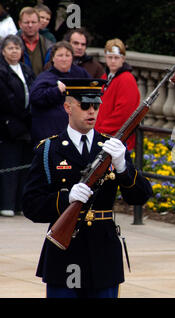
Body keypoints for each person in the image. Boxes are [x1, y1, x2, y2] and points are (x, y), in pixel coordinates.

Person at [22, 78, 153, 298]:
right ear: (67, 107)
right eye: (84, 106)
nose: (91, 111)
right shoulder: (49, 150)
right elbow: (31, 204)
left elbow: (140, 196)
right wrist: (66, 199)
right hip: (65, 253)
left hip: (103, 253)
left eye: (96, 106)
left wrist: (122, 167)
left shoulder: (111, 147)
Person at [29, 40, 90, 146]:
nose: (64, 59)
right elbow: (35, 98)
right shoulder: (45, 77)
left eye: (67, 55)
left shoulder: (81, 73)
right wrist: (56, 91)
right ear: (53, 58)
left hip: (76, 132)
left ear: (72, 57)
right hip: (50, 134)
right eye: (60, 55)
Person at [0, 35, 35, 217]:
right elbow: (6, 97)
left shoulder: (26, 69)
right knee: (10, 164)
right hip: (8, 125)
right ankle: (6, 203)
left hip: (26, 124)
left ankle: (20, 203)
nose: (14, 51)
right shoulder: (2, 70)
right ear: (3, 51)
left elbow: (32, 90)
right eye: (10, 48)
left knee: (24, 165)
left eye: (17, 48)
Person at [95, 38, 140, 151]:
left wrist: (101, 130)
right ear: (106, 58)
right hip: (104, 137)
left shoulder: (126, 79)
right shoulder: (106, 77)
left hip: (114, 140)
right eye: (110, 57)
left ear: (123, 59)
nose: (113, 61)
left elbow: (124, 114)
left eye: (116, 58)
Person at [17, 7, 53, 76]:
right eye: (26, 22)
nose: (30, 25)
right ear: (20, 24)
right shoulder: (12, 46)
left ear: (39, 23)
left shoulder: (49, 46)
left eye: (33, 22)